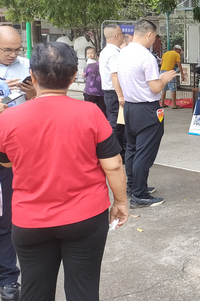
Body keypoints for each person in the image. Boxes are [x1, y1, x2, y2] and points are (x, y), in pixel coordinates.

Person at [0, 42, 128, 301]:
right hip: (85, 217)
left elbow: (6, 163)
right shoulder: (91, 113)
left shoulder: (7, 119)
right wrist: (121, 202)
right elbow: (113, 164)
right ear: (73, 77)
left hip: (30, 219)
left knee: (35, 290)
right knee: (83, 289)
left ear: (33, 76)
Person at [115, 20, 176, 208]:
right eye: (155, 36)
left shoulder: (123, 53)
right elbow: (155, 87)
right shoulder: (146, 57)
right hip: (147, 109)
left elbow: (116, 77)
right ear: (149, 34)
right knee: (144, 152)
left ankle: (133, 186)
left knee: (132, 149)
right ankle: (139, 195)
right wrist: (164, 78)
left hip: (130, 107)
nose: (154, 40)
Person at [0, 26, 34, 301]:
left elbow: (43, 101)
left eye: (17, 49)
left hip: (19, 152)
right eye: (6, 50)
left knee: (10, 219)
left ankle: (11, 278)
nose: (13, 55)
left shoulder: (27, 66)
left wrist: (32, 93)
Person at [99, 24, 127, 170]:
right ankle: (114, 153)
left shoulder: (105, 51)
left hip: (109, 92)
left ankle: (117, 153)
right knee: (118, 125)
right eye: (121, 34)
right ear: (116, 36)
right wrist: (121, 95)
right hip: (115, 93)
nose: (123, 36)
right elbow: (115, 75)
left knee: (117, 123)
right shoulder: (115, 53)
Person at [160, 44, 186, 109]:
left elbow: (161, 63)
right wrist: (182, 75)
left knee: (163, 89)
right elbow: (179, 65)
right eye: (180, 51)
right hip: (169, 72)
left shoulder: (165, 53)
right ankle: (174, 104)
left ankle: (162, 103)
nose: (180, 52)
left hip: (162, 72)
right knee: (173, 88)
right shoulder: (177, 54)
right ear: (178, 49)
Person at [83, 46, 106, 116]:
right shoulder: (104, 66)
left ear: (96, 55)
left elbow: (83, 74)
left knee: (88, 111)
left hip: (89, 91)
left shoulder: (89, 65)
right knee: (102, 111)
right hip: (101, 91)